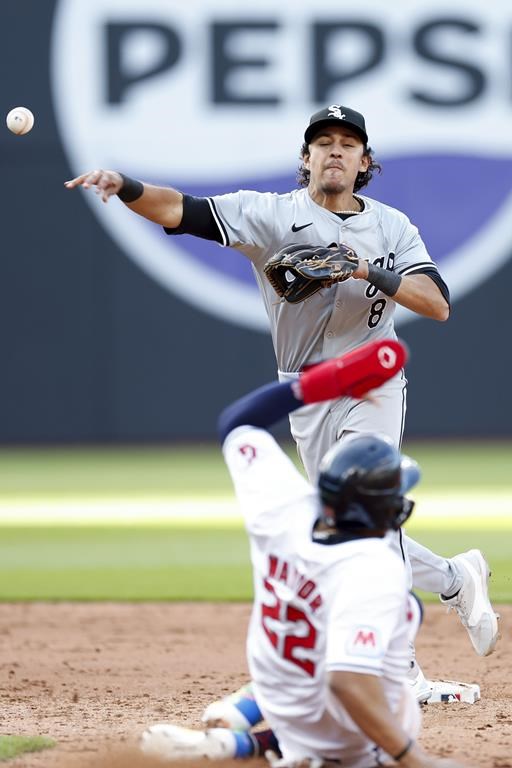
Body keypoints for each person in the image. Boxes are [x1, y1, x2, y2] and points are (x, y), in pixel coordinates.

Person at [65, 104, 498, 690]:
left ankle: (402, 671)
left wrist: (366, 270)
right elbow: (178, 209)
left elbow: (436, 303)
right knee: (345, 525)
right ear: (306, 158)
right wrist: (126, 186)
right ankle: (454, 577)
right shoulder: (269, 215)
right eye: (324, 142)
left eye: (348, 142)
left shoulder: (393, 226)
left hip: (371, 378)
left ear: (365, 161)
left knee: (366, 507)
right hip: (307, 390)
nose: (336, 150)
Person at [139, 339, 469, 768]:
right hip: (350, 745)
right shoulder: (376, 570)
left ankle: (243, 738)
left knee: (333, 636)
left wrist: (325, 382)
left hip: (281, 697)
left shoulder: (282, 511)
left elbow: (238, 423)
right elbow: (349, 683)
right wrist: (416, 760)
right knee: (406, 618)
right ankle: (307, 755)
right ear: (383, 510)